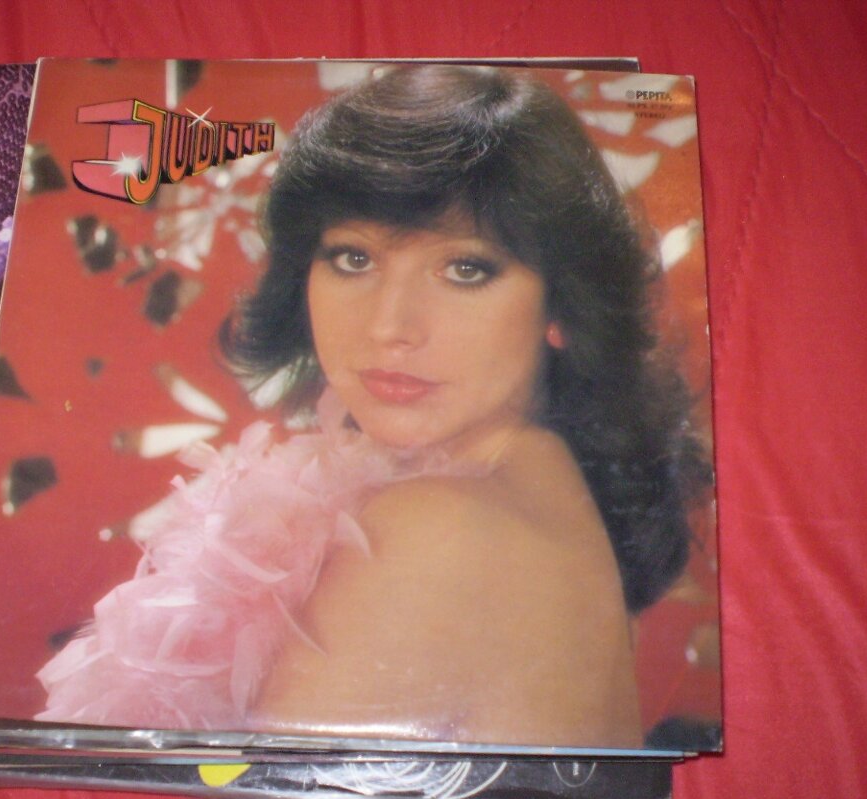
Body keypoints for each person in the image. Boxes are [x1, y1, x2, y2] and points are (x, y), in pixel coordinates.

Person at [38, 65, 709, 750]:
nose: (391, 326)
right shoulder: (536, 482)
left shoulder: (439, 527)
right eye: (353, 259)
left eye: (465, 269)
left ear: (561, 305)